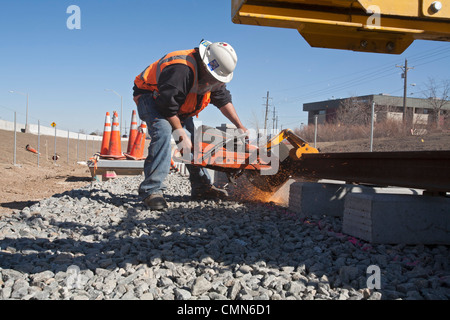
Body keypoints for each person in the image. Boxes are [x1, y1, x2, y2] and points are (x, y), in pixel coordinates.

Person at [133, 40, 248, 210]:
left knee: (194, 143)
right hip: (151, 96)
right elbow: (166, 106)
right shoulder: (181, 69)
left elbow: (223, 99)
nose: (213, 81)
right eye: (213, 77)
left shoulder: (213, 75)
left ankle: (201, 187)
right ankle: (152, 191)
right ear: (205, 64)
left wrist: (240, 126)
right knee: (164, 131)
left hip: (176, 105)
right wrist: (180, 133)